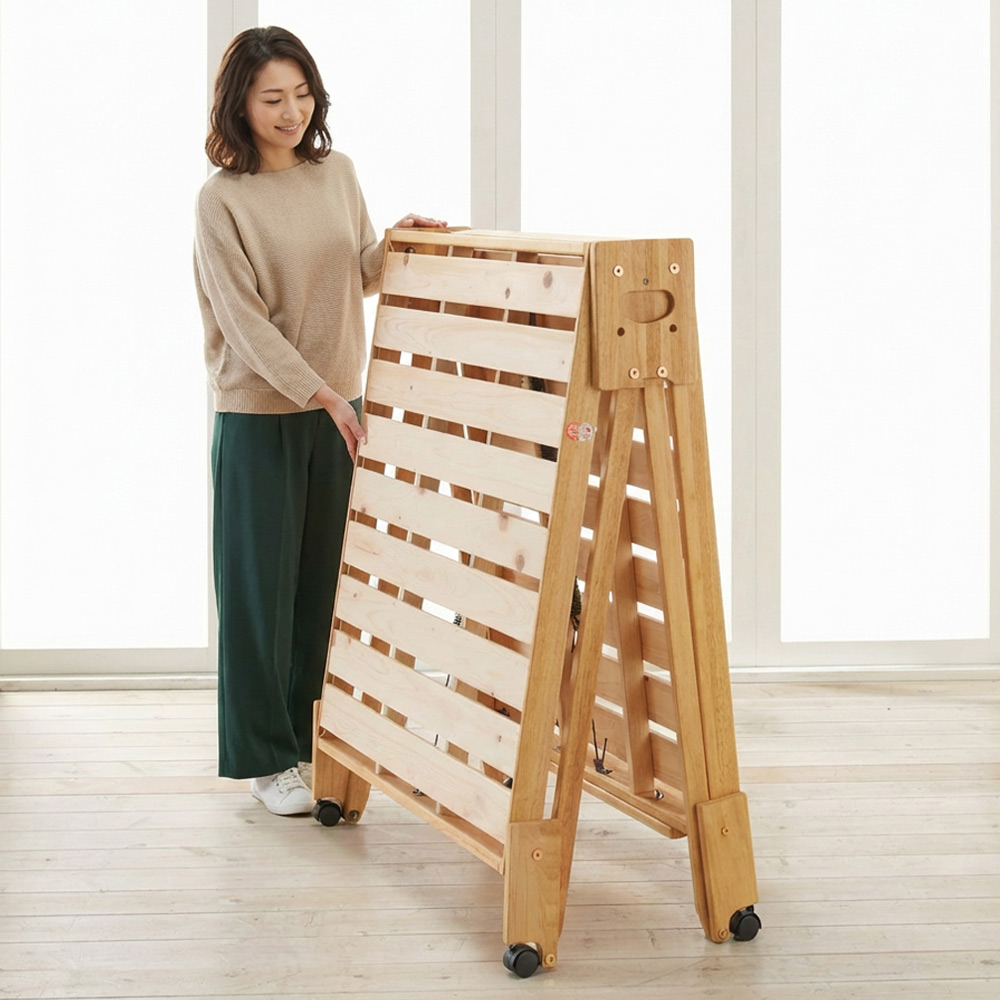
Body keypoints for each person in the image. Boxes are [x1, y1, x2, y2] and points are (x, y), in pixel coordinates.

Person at [194, 26, 445, 816]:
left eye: (302, 94)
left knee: (325, 589)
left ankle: (311, 740)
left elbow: (355, 270)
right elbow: (244, 324)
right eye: (273, 98)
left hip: (340, 411)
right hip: (262, 415)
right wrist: (323, 394)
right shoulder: (222, 201)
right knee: (258, 596)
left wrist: (397, 245)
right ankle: (267, 760)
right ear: (239, 105)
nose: (291, 111)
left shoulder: (338, 174)